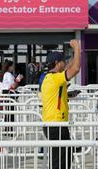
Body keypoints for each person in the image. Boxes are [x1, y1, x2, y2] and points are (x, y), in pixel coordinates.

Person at [41, 39, 81, 169]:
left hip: (56, 123)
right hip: (55, 124)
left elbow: (70, 68)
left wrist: (68, 95)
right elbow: (75, 69)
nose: (66, 63)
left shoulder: (50, 78)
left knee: (64, 157)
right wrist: (77, 48)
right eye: (64, 61)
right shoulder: (55, 78)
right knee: (60, 162)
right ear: (57, 63)